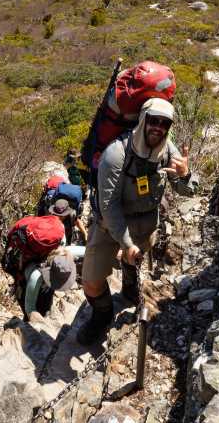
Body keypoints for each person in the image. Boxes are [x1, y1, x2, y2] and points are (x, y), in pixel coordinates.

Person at [77, 97, 196, 345]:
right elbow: (109, 206)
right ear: (142, 120)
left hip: (145, 225)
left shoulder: (168, 151)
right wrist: (126, 243)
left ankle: (130, 287)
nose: (158, 128)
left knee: (134, 260)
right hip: (108, 227)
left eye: (165, 123)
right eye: (153, 121)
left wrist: (185, 176)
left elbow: (188, 191)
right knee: (91, 281)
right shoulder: (116, 153)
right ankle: (102, 316)